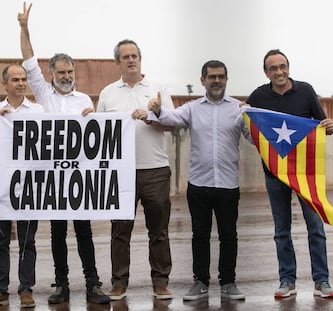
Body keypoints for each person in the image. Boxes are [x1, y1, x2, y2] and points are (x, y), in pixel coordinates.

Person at [18, 3, 109, 305]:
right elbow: (29, 61)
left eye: (70, 71)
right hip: (55, 178)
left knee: (84, 233)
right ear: (52, 74)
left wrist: (94, 118)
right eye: (61, 71)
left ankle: (93, 284)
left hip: (80, 177)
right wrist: (24, 29)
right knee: (58, 235)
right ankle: (62, 285)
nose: (67, 75)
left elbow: (97, 136)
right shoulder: (44, 95)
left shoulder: (84, 99)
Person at [144, 60, 251, 301]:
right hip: (199, 184)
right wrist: (158, 109)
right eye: (211, 77)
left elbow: (253, 140)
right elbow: (170, 118)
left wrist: (253, 119)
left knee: (229, 235)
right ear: (202, 80)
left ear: (226, 79)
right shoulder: (192, 108)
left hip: (228, 184)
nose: (216, 81)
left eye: (221, 76)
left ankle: (228, 282)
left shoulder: (239, 108)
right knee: (199, 235)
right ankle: (200, 282)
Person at [246, 49, 333, 299]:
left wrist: (328, 127)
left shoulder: (305, 90)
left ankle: (322, 281)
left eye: (282, 66)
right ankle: (287, 280)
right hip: (274, 174)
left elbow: (322, 125)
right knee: (281, 230)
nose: (279, 72)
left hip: (306, 174)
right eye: (273, 68)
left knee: (315, 227)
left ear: (288, 67)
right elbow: (248, 125)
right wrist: (243, 111)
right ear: (266, 72)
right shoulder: (258, 96)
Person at [97, 39, 174, 300]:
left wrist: (154, 115)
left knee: (159, 230)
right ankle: (119, 283)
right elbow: (99, 134)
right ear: (117, 62)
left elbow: (173, 125)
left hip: (155, 170)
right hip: (120, 173)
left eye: (134, 55)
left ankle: (161, 282)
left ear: (140, 59)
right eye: (125, 56)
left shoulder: (158, 89)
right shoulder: (108, 93)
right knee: (120, 230)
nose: (131, 60)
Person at [0, 64, 44, 308]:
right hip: (2, 188)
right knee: (1, 241)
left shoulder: (38, 111)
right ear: (4, 84)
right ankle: (1, 289)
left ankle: (26, 289)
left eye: (23, 79)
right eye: (15, 79)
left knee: (28, 241)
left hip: (29, 187)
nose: (20, 83)